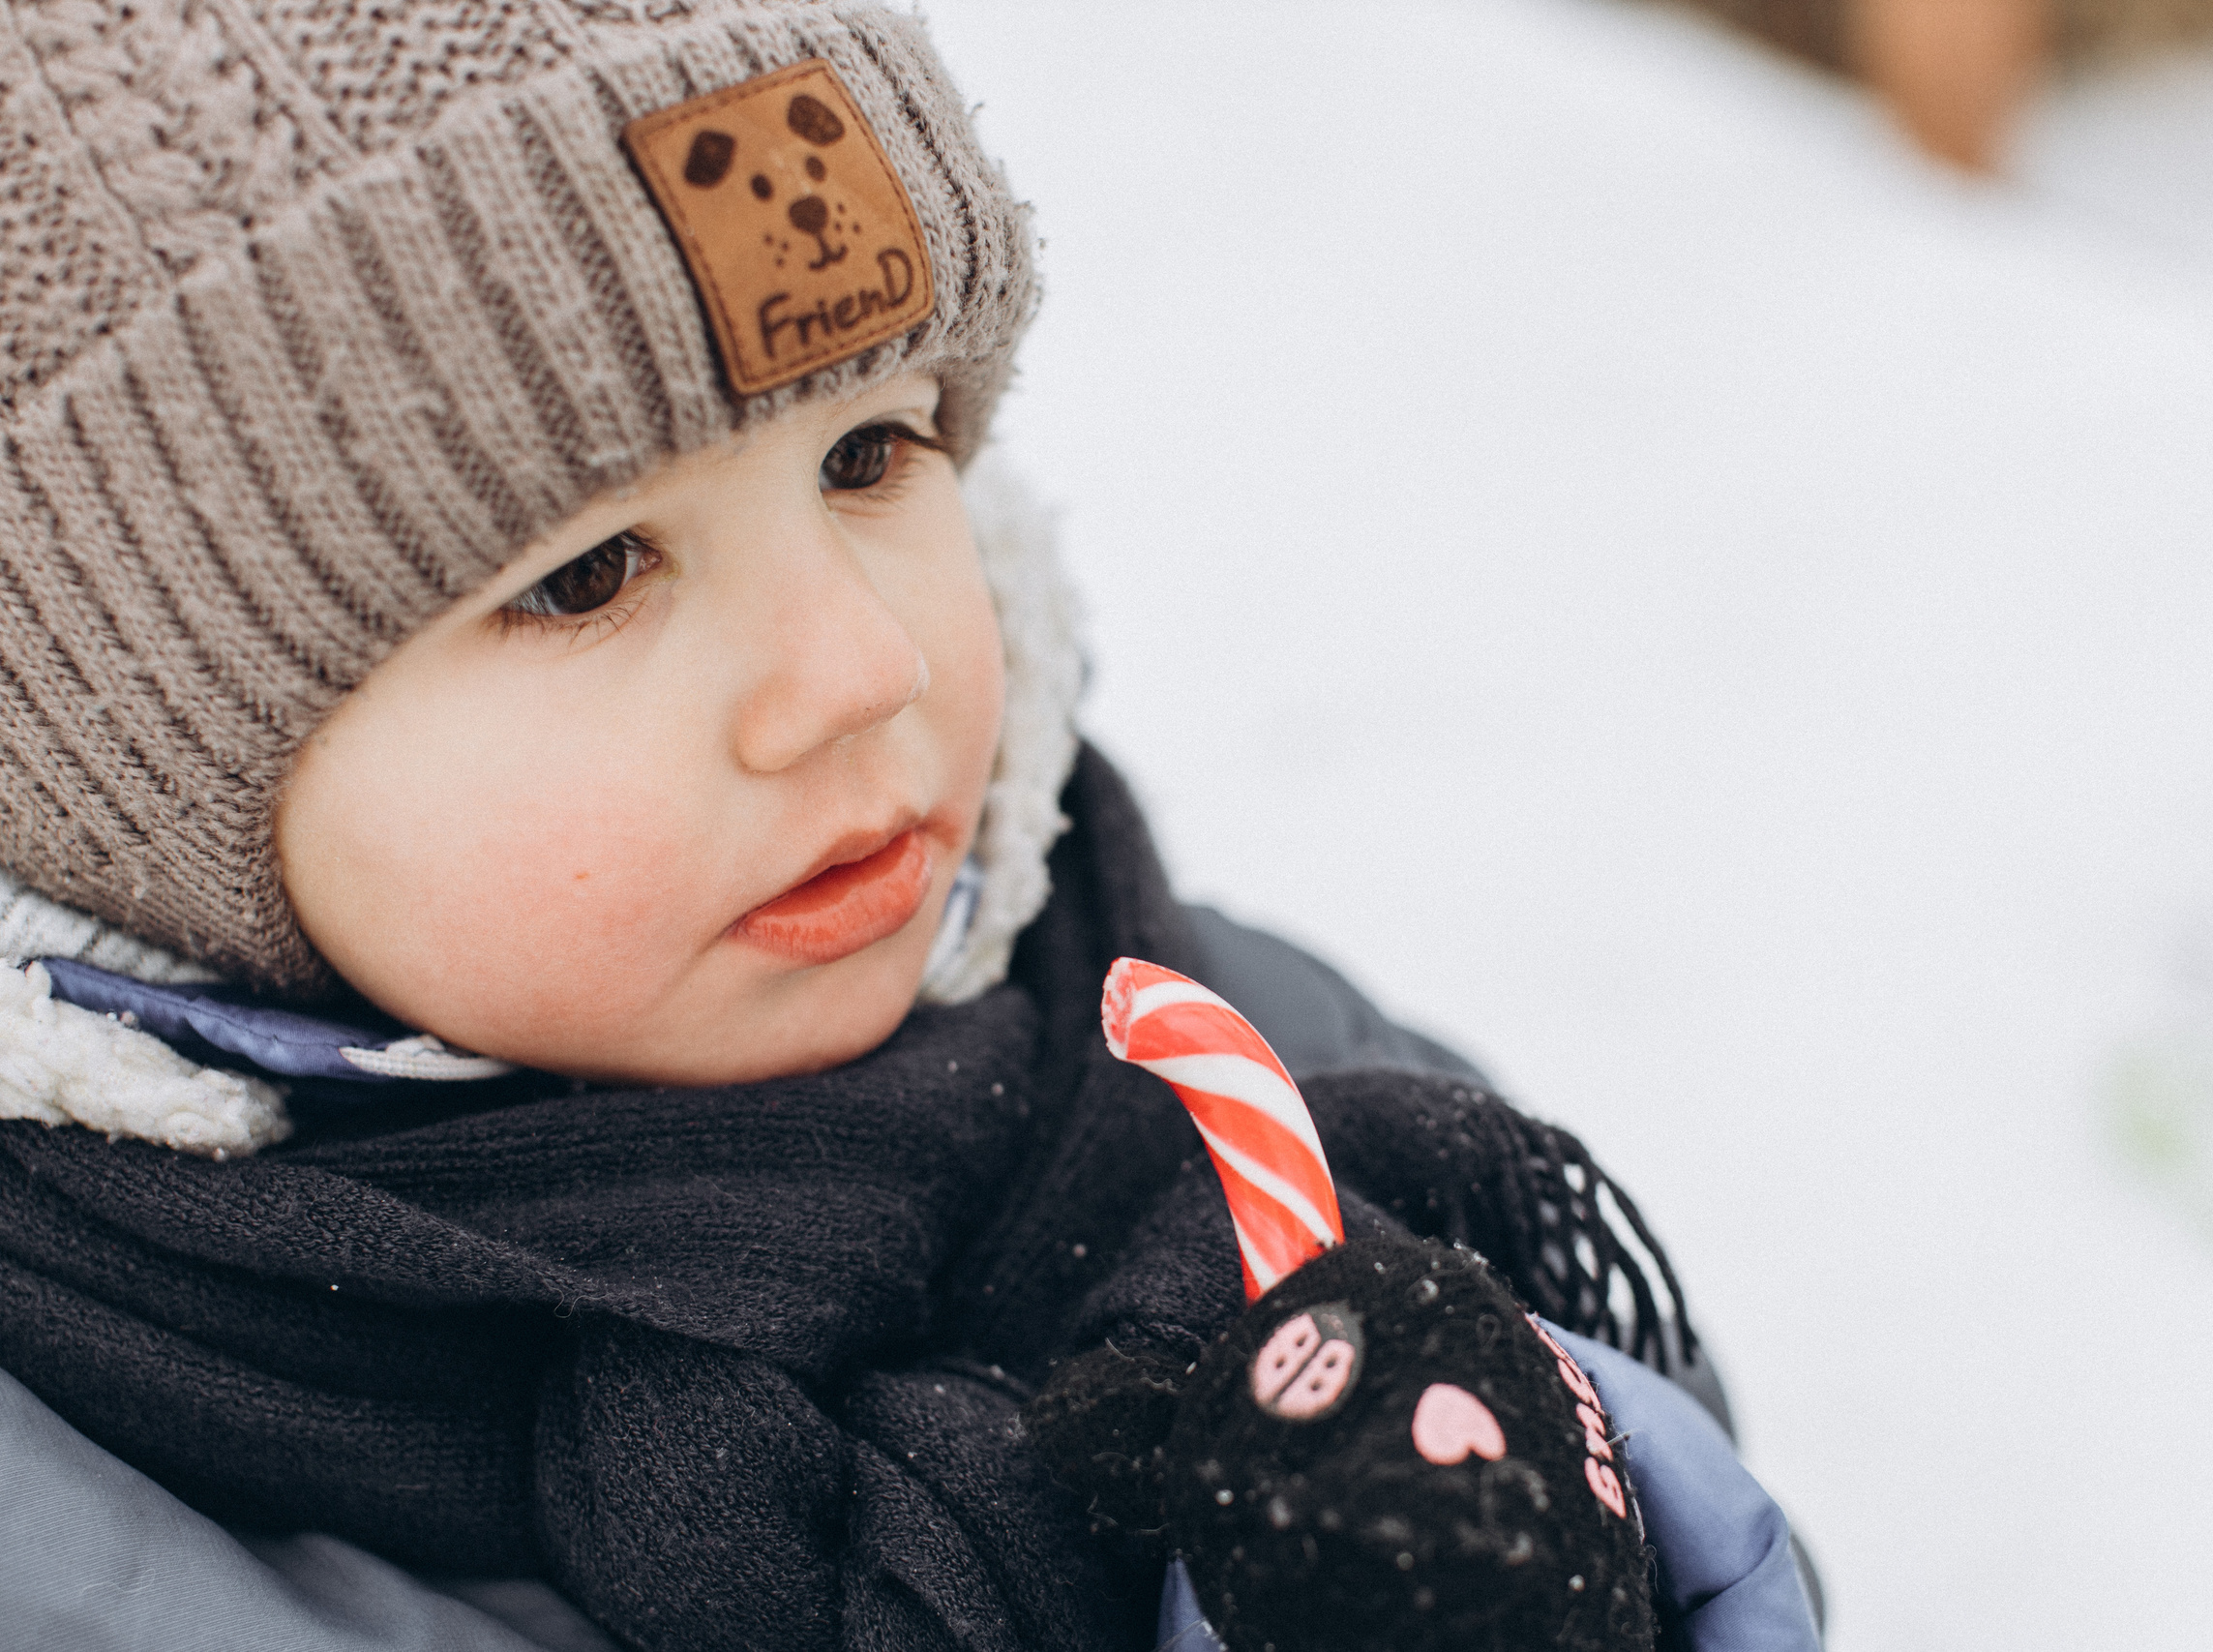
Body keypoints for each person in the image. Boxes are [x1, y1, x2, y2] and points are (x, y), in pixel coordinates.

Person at [0, 2, 1819, 1647]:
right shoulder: (86, 1521)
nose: (860, 669)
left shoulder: (1192, 1036)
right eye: (588, 577)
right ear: (130, 767)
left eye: (868, 453)